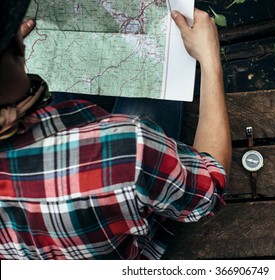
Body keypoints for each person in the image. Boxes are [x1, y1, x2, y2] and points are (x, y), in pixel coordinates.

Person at [0, 0, 231, 259]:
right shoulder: (130, 151)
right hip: (127, 243)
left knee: (73, 62)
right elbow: (212, 186)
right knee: (154, 66)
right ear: (18, 47)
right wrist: (210, 60)